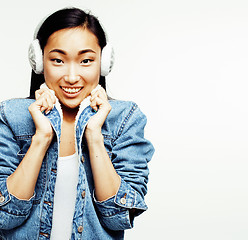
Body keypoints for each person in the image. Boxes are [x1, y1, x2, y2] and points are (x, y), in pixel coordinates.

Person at [0, 7, 154, 240]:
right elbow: (6, 215)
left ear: (104, 62)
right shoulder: (11, 116)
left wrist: (94, 135)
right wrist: (41, 138)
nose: (72, 76)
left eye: (86, 60)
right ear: (39, 61)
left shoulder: (125, 119)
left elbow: (118, 215)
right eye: (58, 60)